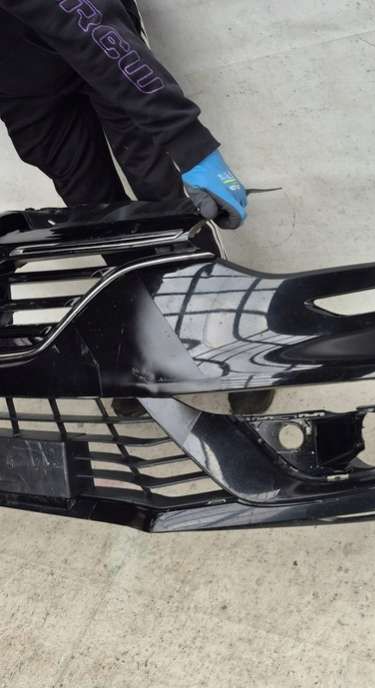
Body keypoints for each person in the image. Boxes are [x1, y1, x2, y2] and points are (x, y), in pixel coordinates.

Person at [0, 0, 273, 414]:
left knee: (159, 196)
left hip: (94, 34)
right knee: (94, 215)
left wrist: (189, 144)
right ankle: (154, 344)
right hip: (21, 87)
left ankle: (228, 339)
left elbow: (87, 24)